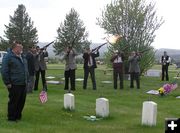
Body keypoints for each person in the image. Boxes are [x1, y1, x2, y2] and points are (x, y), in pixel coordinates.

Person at [1, 41, 28, 122]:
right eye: (20, 47)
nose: (21, 49)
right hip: (14, 83)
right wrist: (7, 82)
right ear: (15, 48)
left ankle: (18, 116)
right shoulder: (8, 56)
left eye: (22, 47)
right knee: (14, 101)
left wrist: (27, 79)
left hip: (23, 82)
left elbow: (25, 69)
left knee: (21, 101)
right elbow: (4, 70)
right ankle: (11, 118)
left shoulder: (22, 56)